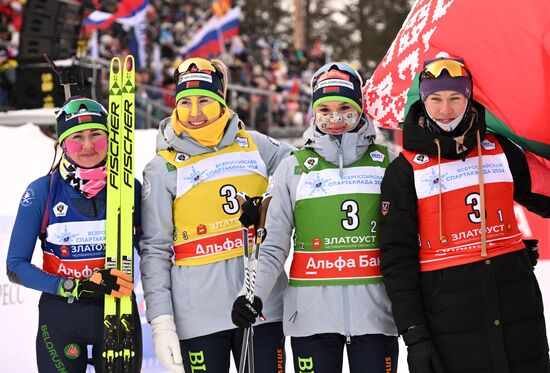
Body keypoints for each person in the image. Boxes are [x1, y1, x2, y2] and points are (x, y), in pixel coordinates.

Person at [379, 56, 550, 373]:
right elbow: (396, 261)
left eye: (455, 98)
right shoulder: (404, 170)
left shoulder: (501, 149)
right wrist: (414, 336)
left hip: (517, 314)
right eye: (436, 99)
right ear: (423, 100)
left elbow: (542, 197)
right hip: (451, 323)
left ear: (469, 97)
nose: (446, 110)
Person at [231, 62, 399, 373]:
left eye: (345, 109)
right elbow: (273, 246)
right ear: (313, 112)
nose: (335, 119)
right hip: (312, 320)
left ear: (360, 108)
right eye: (325, 110)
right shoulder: (294, 167)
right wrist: (250, 295)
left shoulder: (386, 162)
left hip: (374, 315)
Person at [140, 57, 294, 373]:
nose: (195, 113)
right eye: (185, 103)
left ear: (222, 101)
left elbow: (301, 169)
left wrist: (266, 202)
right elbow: (154, 250)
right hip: (198, 316)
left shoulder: (256, 145)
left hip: (260, 305)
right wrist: (161, 321)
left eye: (206, 102)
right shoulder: (163, 166)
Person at [6, 96, 143, 372]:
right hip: (62, 315)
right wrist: (72, 285)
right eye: (77, 137)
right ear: (62, 144)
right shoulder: (42, 191)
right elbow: (15, 266)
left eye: (96, 134)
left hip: (119, 312)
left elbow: (151, 250)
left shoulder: (131, 189)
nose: (88, 145)